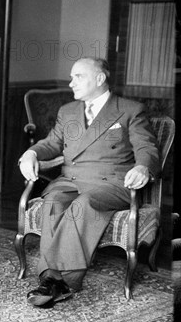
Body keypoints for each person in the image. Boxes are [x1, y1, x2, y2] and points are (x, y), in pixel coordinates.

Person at [18, 57, 160, 307]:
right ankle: (53, 280)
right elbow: (52, 144)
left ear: (100, 78)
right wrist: (31, 153)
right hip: (71, 179)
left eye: (78, 76)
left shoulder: (130, 109)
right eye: (71, 77)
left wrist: (142, 167)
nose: (71, 83)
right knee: (53, 201)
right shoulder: (68, 111)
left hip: (112, 183)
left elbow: (146, 147)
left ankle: (61, 281)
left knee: (84, 204)